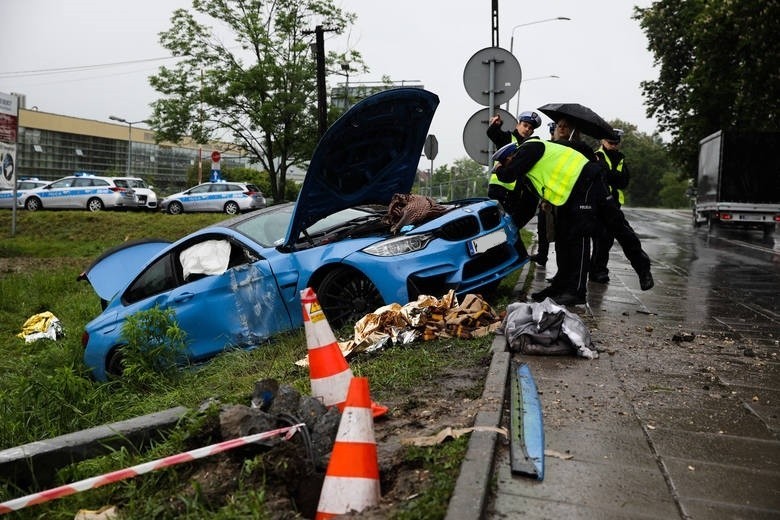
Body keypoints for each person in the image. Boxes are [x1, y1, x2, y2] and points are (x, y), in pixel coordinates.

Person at [491, 139, 653, 306]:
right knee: (563, 237)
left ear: (512, 155)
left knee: (593, 229)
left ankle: (581, 289)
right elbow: (531, 200)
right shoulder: (528, 169)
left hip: (587, 179)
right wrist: (514, 225)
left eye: (506, 161)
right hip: (571, 193)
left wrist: (499, 170)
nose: (509, 165)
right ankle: (560, 287)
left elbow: (509, 174)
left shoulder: (530, 148)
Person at [485, 110, 543, 259]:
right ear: (518, 124)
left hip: (514, 193)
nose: (527, 130)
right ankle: (518, 255)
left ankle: (497, 253)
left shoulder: (530, 146)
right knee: (503, 225)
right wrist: (495, 125)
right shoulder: (508, 138)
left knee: (506, 225)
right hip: (499, 189)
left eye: (531, 128)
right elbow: (493, 134)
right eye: (525, 125)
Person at [590, 129, 629, 283]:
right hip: (600, 203)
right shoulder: (597, 156)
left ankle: (597, 268)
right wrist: (613, 177)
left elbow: (624, 181)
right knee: (601, 237)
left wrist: (611, 176)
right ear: (603, 141)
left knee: (608, 239)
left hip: (615, 203)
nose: (613, 146)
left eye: (615, 143)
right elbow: (601, 175)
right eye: (610, 142)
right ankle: (598, 270)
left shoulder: (620, 158)